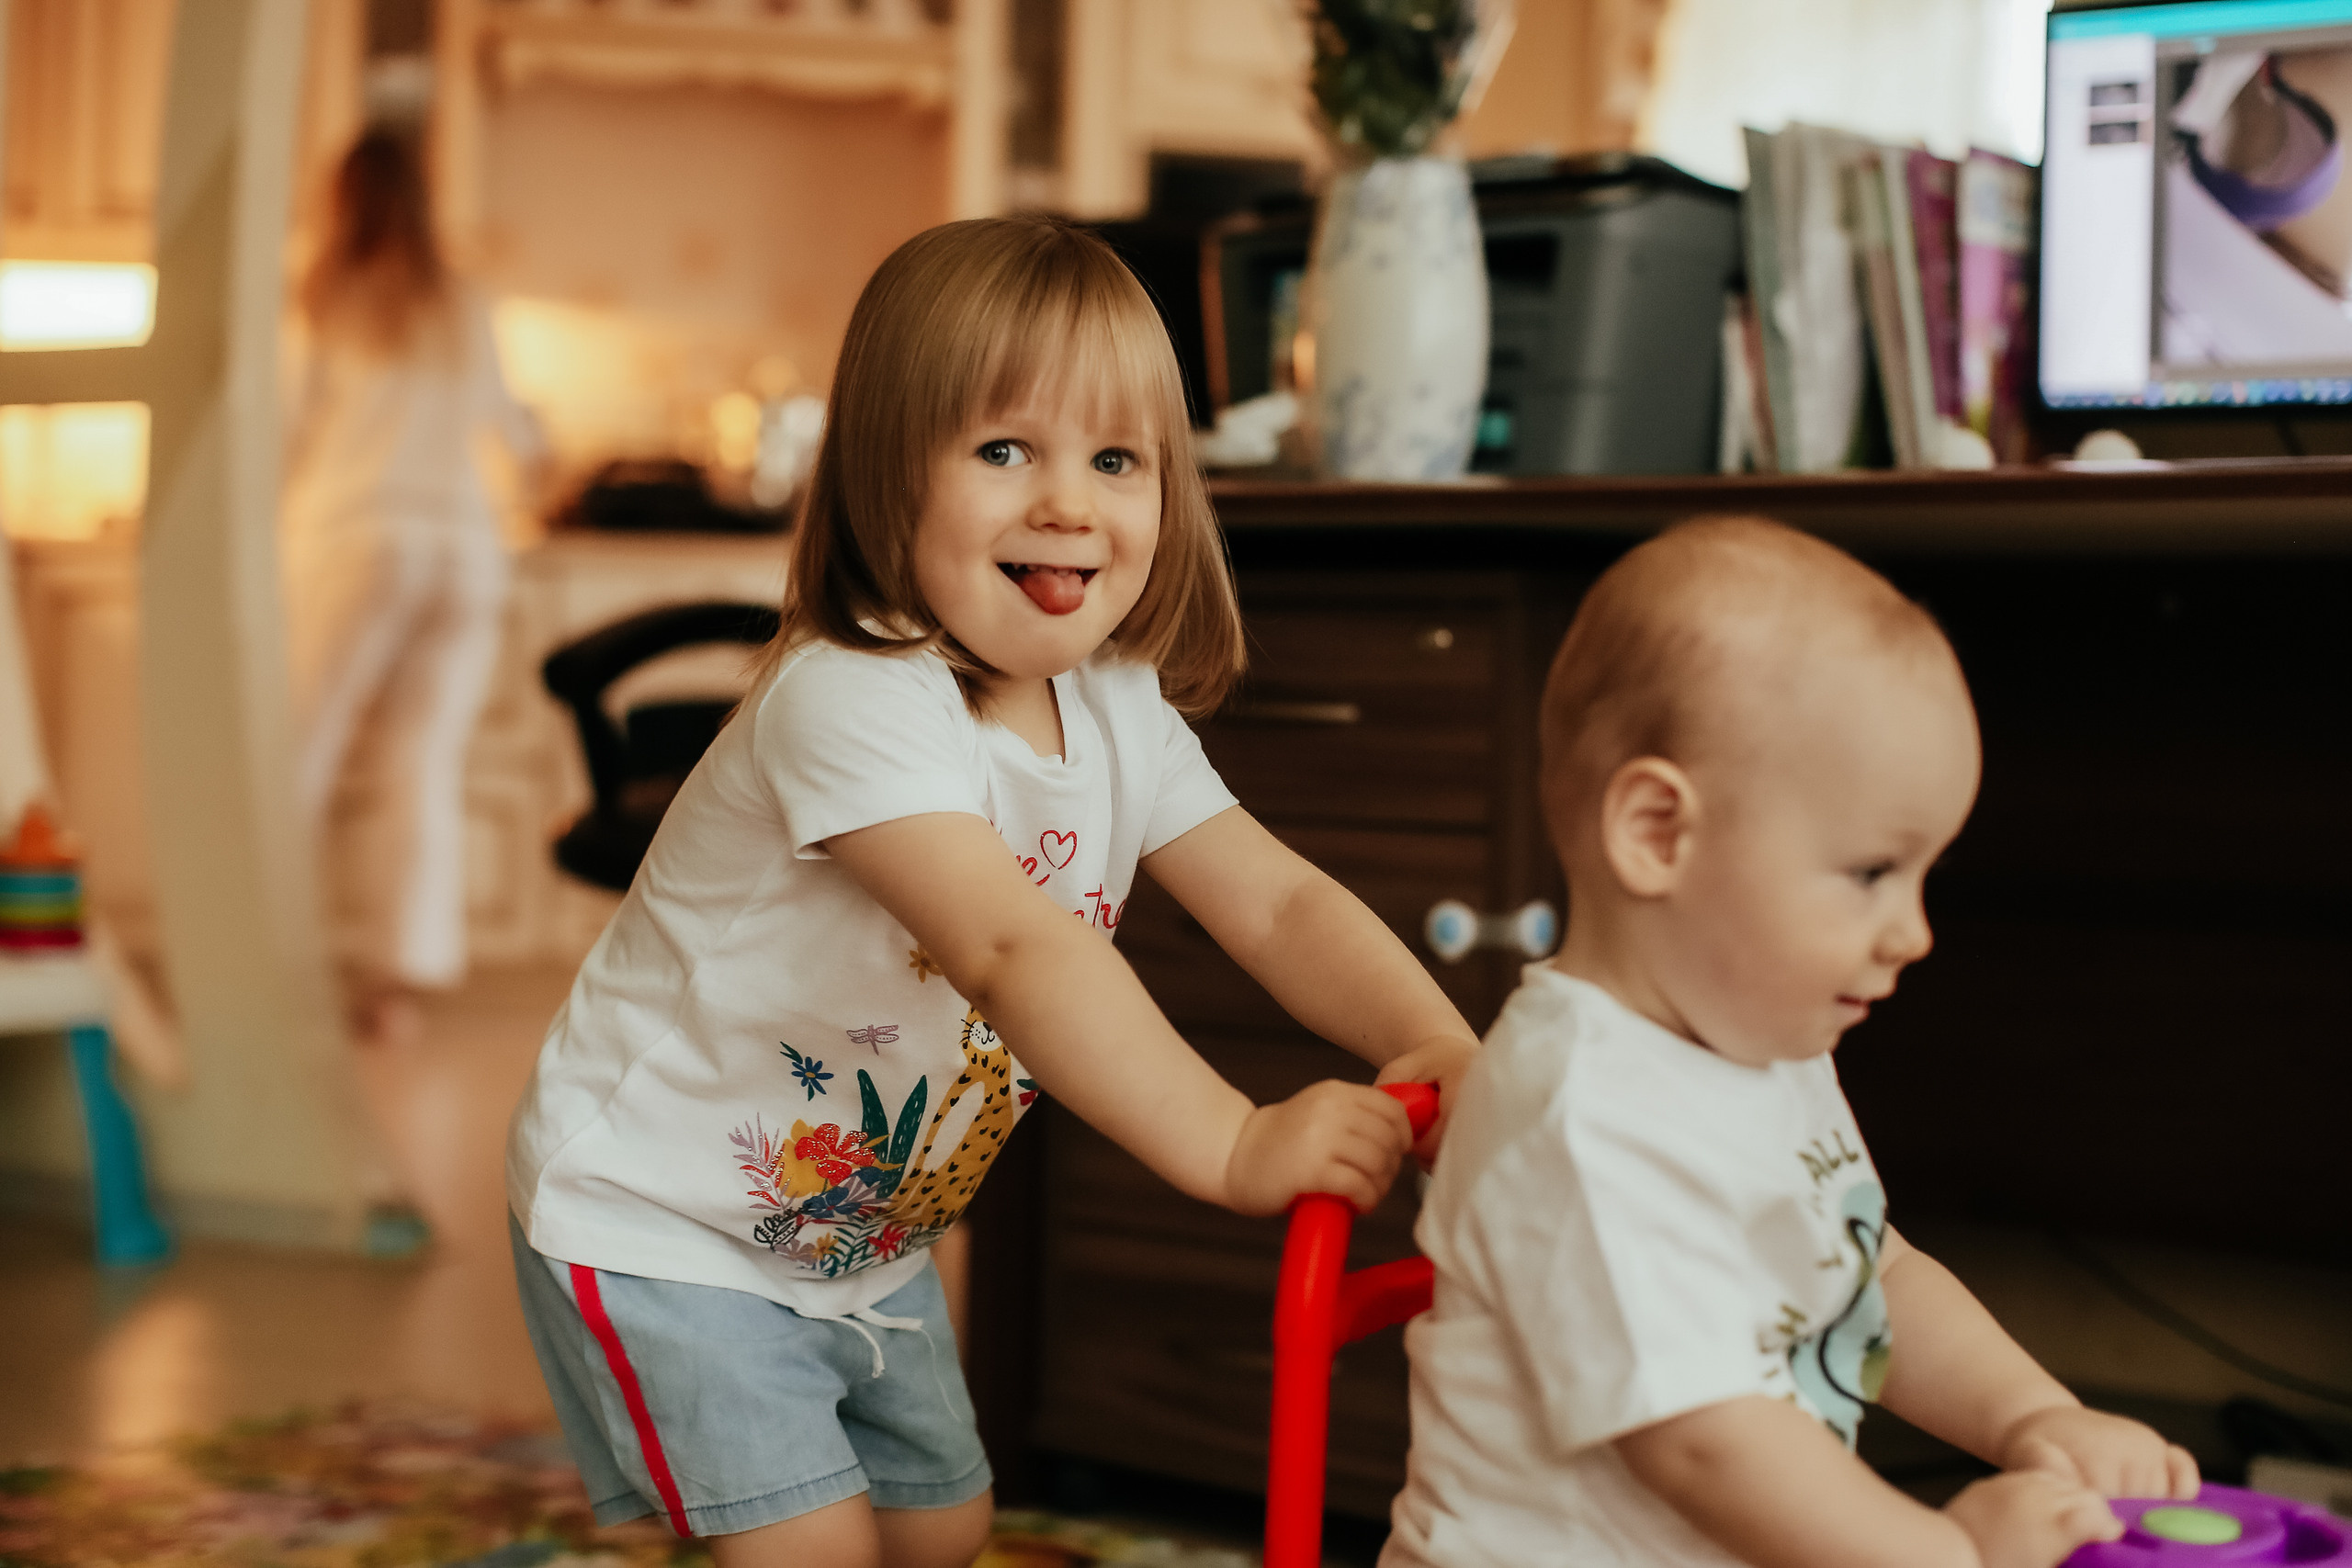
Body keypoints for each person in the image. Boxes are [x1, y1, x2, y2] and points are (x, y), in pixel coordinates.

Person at [504, 215, 1483, 1568]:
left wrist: (1431, 1040)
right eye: (1004, 449)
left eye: (1117, 457)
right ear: (885, 477)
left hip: (857, 1239)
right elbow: (1014, 947)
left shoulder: (1117, 703)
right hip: (663, 1217)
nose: (1068, 501)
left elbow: (1275, 902)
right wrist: (1232, 1139)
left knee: (941, 1528)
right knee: (811, 1551)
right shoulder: (850, 695)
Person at [1384, 517, 2200, 1568]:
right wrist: (1952, 1554)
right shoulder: (1583, 1116)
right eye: (1869, 873)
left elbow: (1873, 1278)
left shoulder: (1759, 1048)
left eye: (1923, 876)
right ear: (1657, 834)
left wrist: (2033, 1418)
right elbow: (1705, 1448)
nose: (1913, 932)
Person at [280, 127, 548, 1048]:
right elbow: (514, 434)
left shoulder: (321, 294)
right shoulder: (461, 296)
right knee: (417, 766)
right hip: (463, 550)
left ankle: (266, 966)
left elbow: (283, 429)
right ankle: (393, 992)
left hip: (360, 537)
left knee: (298, 755)